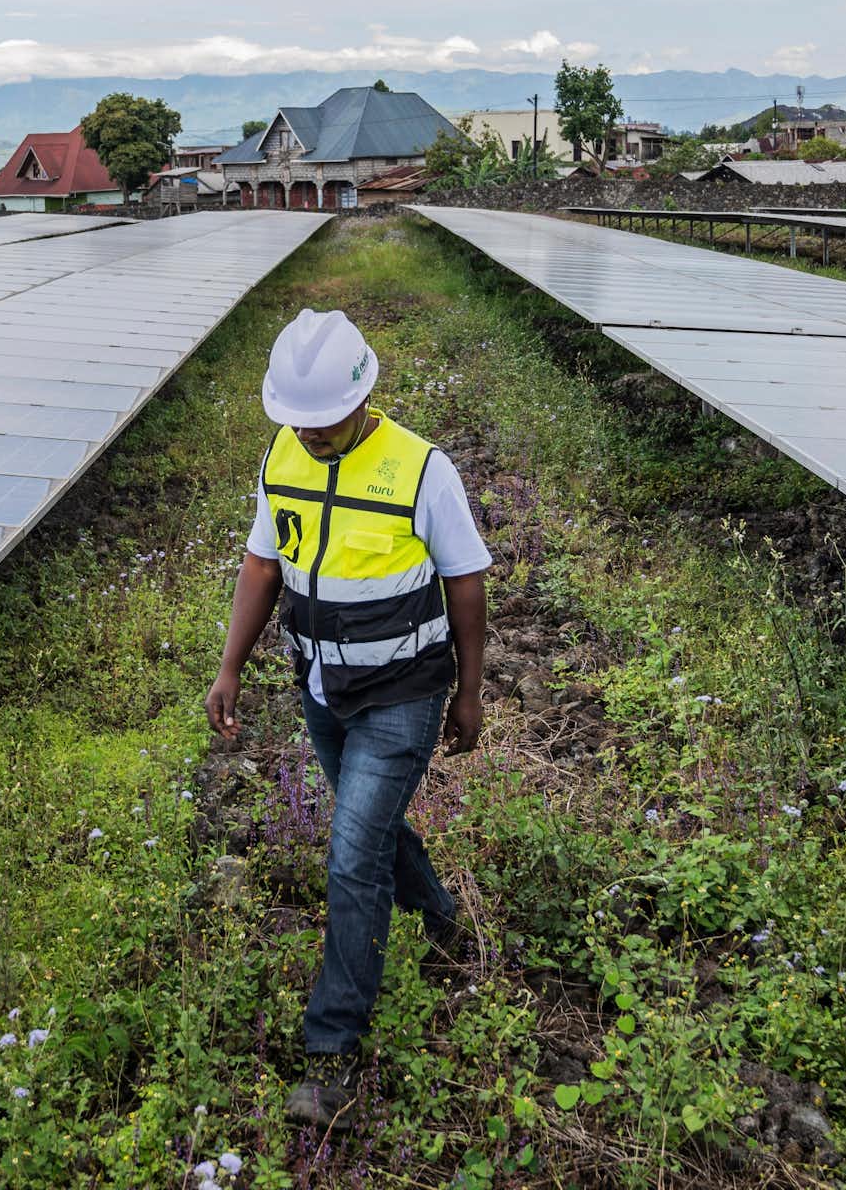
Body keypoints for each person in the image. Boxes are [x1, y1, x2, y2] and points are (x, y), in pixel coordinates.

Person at [204, 307, 491, 1130]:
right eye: (299, 422)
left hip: (404, 695)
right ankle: (440, 917)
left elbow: (465, 580)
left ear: (364, 395)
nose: (313, 435)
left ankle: (331, 1051)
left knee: (351, 854)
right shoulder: (282, 452)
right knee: (370, 828)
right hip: (322, 688)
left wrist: (469, 693)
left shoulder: (421, 469)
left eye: (325, 421)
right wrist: (229, 667)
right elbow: (264, 562)